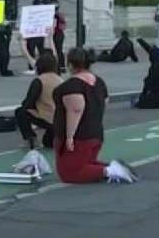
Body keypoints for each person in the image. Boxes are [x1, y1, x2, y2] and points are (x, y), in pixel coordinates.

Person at [53, 48, 138, 184]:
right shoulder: (99, 82)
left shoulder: (71, 86)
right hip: (95, 134)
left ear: (70, 64)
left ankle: (110, 170)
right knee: (85, 163)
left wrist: (70, 137)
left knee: (69, 173)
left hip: (80, 136)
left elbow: (75, 110)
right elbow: (104, 102)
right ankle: (111, 168)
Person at [15, 53, 62, 149]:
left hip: (47, 118)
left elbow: (28, 103)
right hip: (60, 120)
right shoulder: (61, 80)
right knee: (48, 143)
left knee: (20, 112)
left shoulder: (39, 81)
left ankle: (31, 139)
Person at [134, 39, 159, 109]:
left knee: (142, 101)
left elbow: (149, 83)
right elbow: (150, 50)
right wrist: (142, 42)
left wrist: (143, 95)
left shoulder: (155, 68)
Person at [53, 8, 66, 73]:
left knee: (59, 50)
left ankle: (61, 66)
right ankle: (59, 65)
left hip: (58, 34)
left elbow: (63, 26)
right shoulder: (56, 16)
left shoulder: (58, 16)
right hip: (55, 34)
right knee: (57, 50)